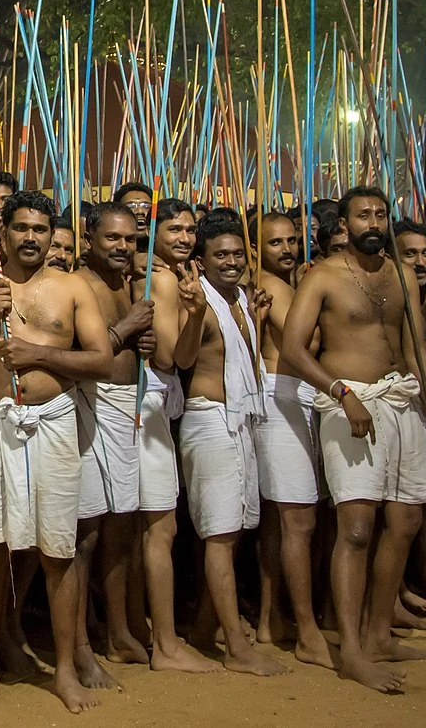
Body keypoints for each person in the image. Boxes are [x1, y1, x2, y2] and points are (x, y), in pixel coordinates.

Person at [279, 186, 426, 693]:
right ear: (345, 224)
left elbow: (415, 350)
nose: (373, 222)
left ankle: (378, 635)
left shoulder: (402, 274)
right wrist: (341, 393)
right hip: (349, 405)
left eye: (380, 214)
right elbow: (293, 348)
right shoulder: (323, 275)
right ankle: (351, 651)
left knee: (406, 521)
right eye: (362, 215)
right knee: (355, 529)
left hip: (401, 403)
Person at [0, 190, 113, 713]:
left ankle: (65, 670)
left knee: (58, 551)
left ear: (52, 236)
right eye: (20, 228)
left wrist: (38, 353)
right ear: (2, 234)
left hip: (54, 421)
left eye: (40, 229)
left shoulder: (72, 288)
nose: (30, 237)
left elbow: (101, 361)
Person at [178, 213, 285, 675]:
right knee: (220, 536)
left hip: (240, 421)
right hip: (209, 422)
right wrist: (194, 316)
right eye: (220, 255)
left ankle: (206, 628)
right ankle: (237, 649)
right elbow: (182, 359)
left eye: (238, 254)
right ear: (201, 261)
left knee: (236, 529)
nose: (231, 261)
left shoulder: (243, 298)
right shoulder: (197, 299)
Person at [134, 198, 217, 672]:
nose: (185, 237)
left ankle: (144, 631)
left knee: (144, 529)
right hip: (145, 407)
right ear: (154, 234)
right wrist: (197, 314)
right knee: (160, 528)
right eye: (174, 230)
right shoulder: (163, 279)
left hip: (153, 405)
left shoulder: (169, 274)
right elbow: (173, 358)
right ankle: (165, 645)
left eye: (190, 229)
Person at [73, 202, 154, 671]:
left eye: (130, 239)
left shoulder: (131, 283)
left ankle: (118, 630)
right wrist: (127, 330)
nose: (123, 247)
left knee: (122, 527)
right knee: (85, 534)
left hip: (128, 410)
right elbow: (83, 352)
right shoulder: (77, 284)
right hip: (89, 405)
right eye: (112, 238)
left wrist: (145, 342)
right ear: (90, 239)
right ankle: (79, 641)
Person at [247, 210, 328, 665]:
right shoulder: (271, 285)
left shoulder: (285, 283)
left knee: (280, 521)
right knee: (299, 519)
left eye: (292, 240)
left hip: (291, 397)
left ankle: (270, 619)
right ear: (256, 249)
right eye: (276, 242)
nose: (288, 249)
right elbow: (308, 345)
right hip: (279, 397)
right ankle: (307, 632)